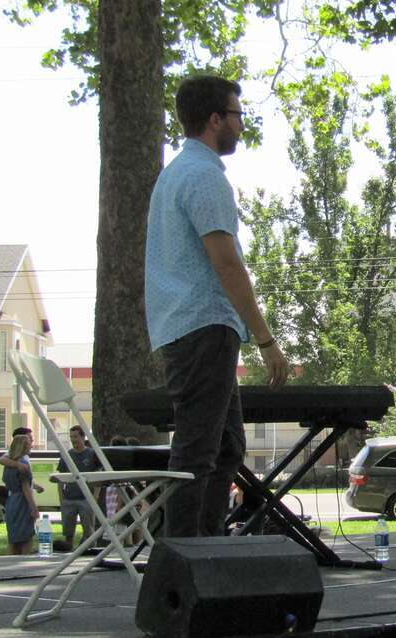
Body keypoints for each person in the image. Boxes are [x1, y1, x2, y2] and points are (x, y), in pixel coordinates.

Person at [145, 75, 289, 538]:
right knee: (197, 450)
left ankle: (208, 549)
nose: (241, 126)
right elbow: (227, 264)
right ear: (214, 119)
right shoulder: (204, 176)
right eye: (237, 115)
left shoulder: (176, 173)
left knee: (226, 448)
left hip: (192, 327)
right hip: (202, 326)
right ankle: (183, 558)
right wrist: (265, 340)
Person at [57, 425, 101, 548]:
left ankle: (90, 549)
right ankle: (68, 548)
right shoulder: (67, 455)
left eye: (76, 436)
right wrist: (61, 498)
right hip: (69, 498)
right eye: (71, 437)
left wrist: (95, 497)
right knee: (68, 530)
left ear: (83, 437)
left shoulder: (91, 454)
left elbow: (98, 477)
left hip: (86, 498)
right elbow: (60, 478)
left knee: (88, 530)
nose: (73, 439)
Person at [2, 434, 39, 555]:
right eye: (29, 444)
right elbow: (26, 488)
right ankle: (25, 560)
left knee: (13, 538)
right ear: (23, 447)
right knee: (26, 537)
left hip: (11, 500)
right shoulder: (23, 464)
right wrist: (33, 508)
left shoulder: (9, 464)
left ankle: (10, 561)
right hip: (22, 502)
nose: (31, 446)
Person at [0, 426, 45, 496]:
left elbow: (24, 480)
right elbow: (1, 460)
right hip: (20, 497)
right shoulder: (14, 456)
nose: (32, 440)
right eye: (29, 438)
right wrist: (19, 465)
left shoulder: (25, 456)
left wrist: (36, 486)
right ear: (21, 439)